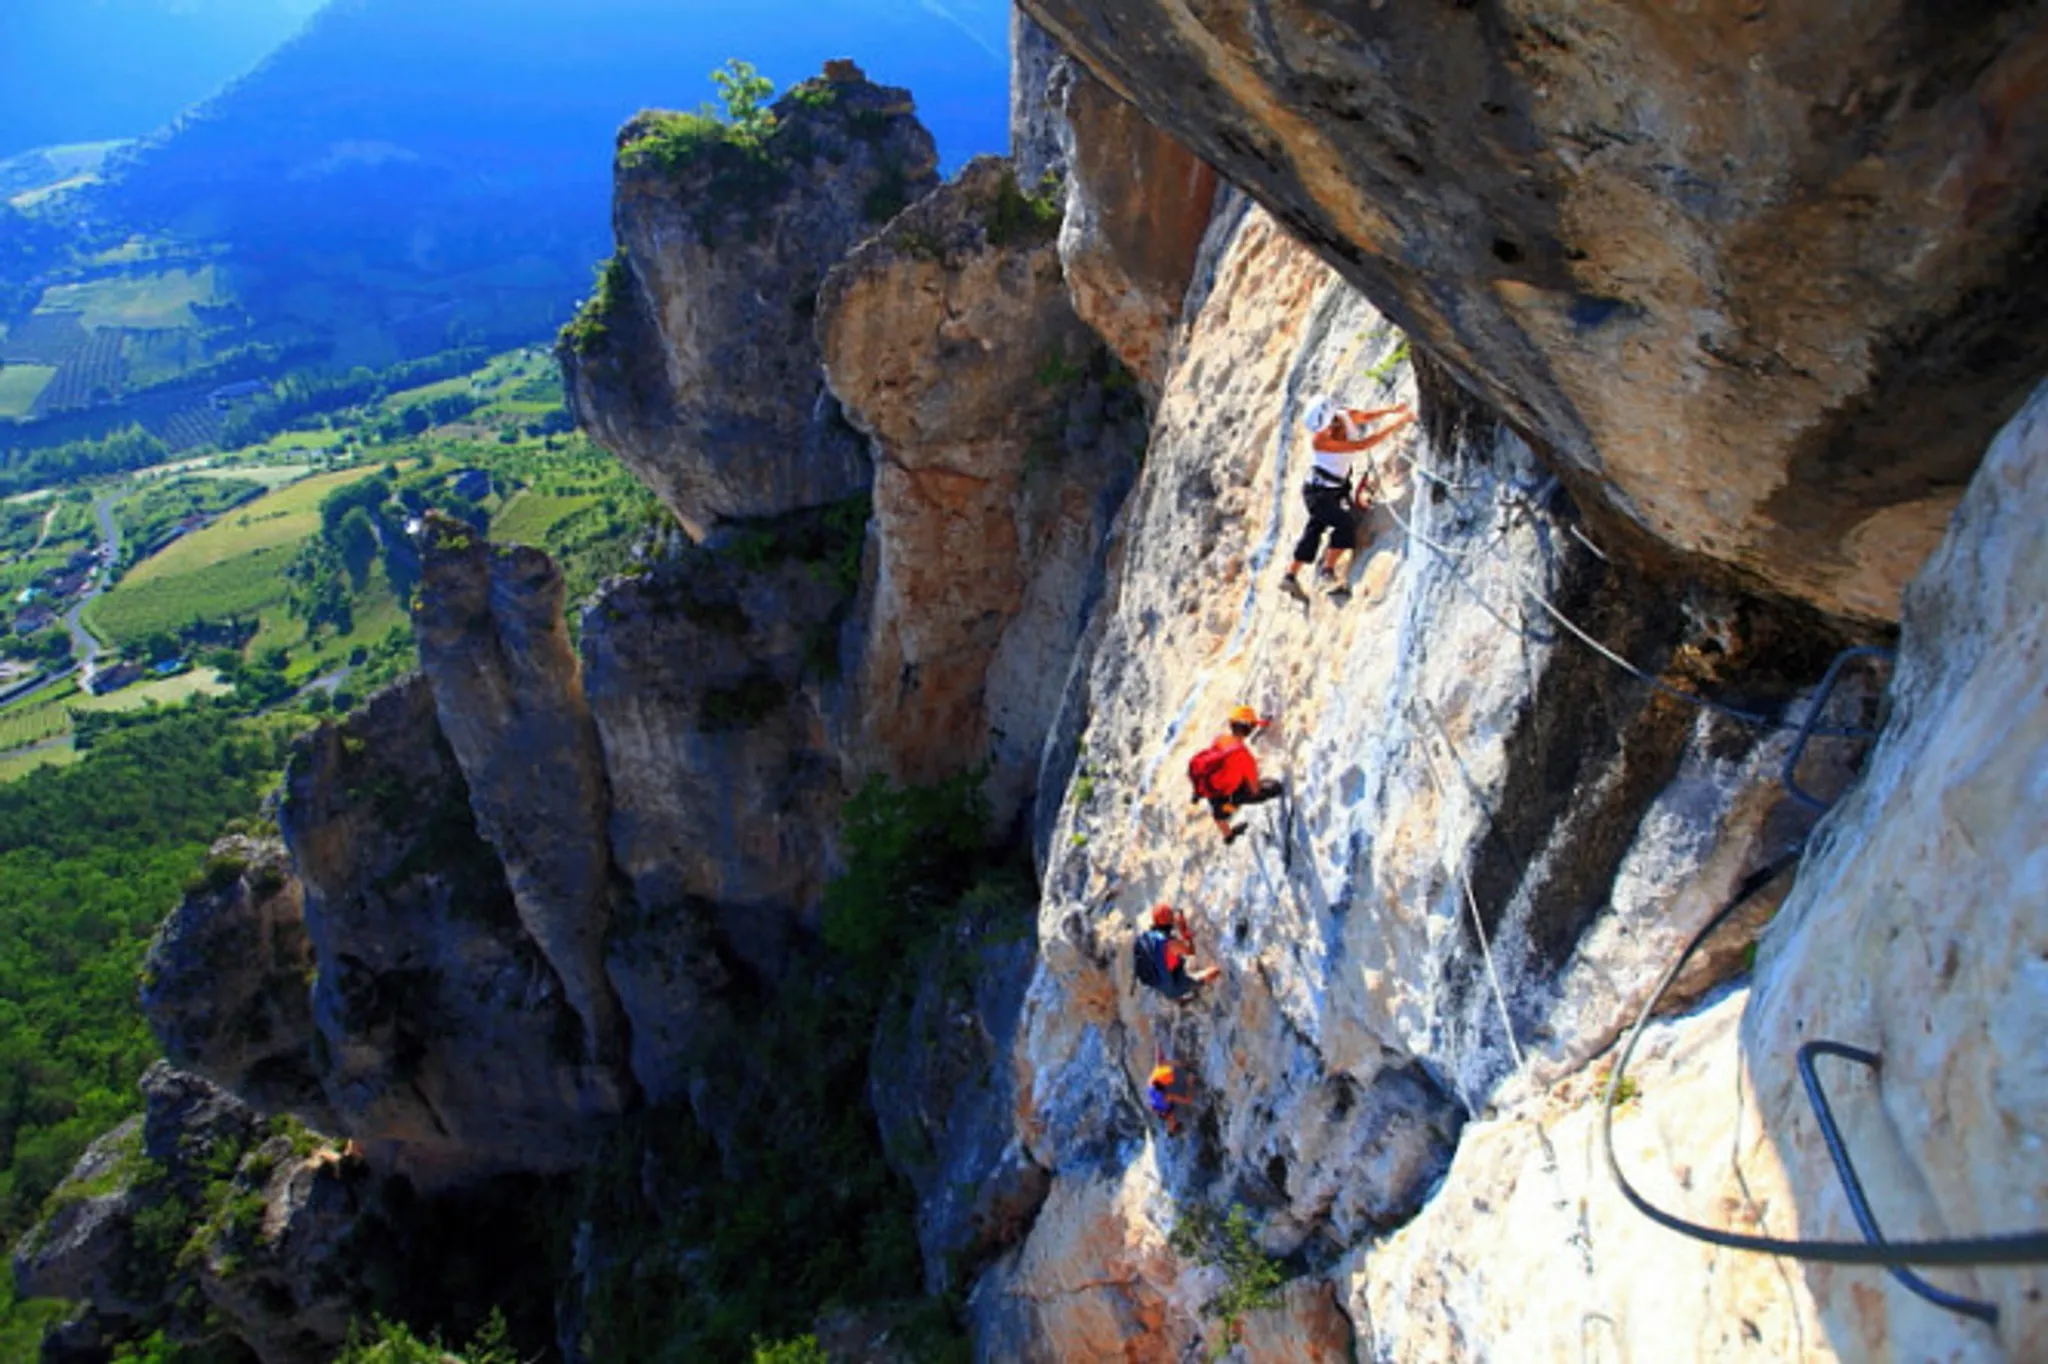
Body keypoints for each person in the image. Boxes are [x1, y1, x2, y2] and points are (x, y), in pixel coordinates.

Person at [1281, 395, 1416, 602]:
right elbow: (1362, 445)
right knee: (1344, 523)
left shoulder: (1342, 416)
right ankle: (1327, 572)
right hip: (1318, 493)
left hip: (1334, 488)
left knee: (1315, 527)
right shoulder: (1321, 440)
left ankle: (1290, 575)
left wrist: (1391, 410)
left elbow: (1363, 416)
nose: (1324, 429)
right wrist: (1397, 423)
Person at [1188, 705, 1283, 844]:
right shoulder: (1246, 758)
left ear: (1231, 724)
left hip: (1210, 784)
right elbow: (1255, 790)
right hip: (1228, 794)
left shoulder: (1219, 739)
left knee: (1218, 811)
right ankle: (1232, 810)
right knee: (1275, 788)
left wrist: (1262, 723)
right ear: (1249, 730)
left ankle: (1228, 835)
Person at [1132, 903, 1220, 1001]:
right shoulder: (1170, 943)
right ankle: (1180, 996)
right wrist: (1183, 929)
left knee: (1176, 962)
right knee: (1214, 971)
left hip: (1156, 980)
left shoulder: (1147, 937)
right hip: (1172, 986)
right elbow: (1190, 951)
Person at [1147, 1060, 1197, 1135]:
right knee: (1184, 1098)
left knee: (1185, 1098)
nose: (1169, 1125)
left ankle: (1185, 1068)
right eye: (1171, 1127)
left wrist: (1189, 1084)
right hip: (1156, 1078)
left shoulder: (1164, 1110)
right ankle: (1184, 1068)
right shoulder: (1166, 1112)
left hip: (1159, 1078)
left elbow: (1169, 1097)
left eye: (1169, 1127)